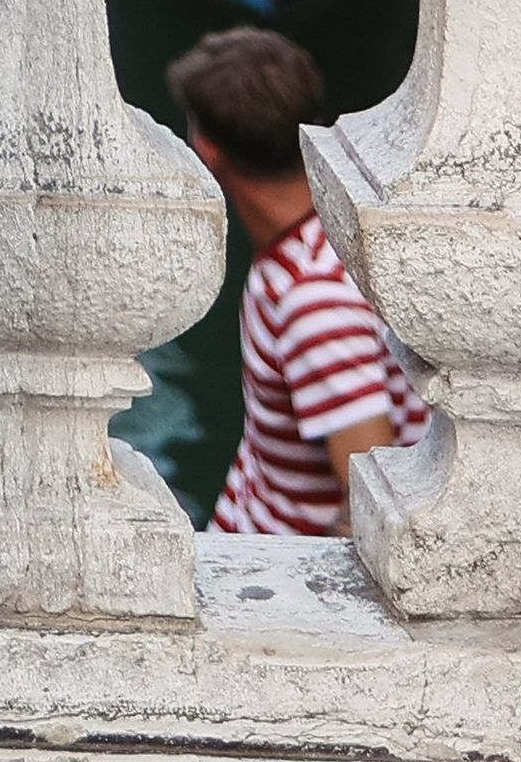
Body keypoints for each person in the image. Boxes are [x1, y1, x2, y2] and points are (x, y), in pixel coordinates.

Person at [168, 27, 428, 534]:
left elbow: (368, 504)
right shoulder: (331, 240)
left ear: (207, 151)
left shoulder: (313, 300)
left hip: (265, 569)